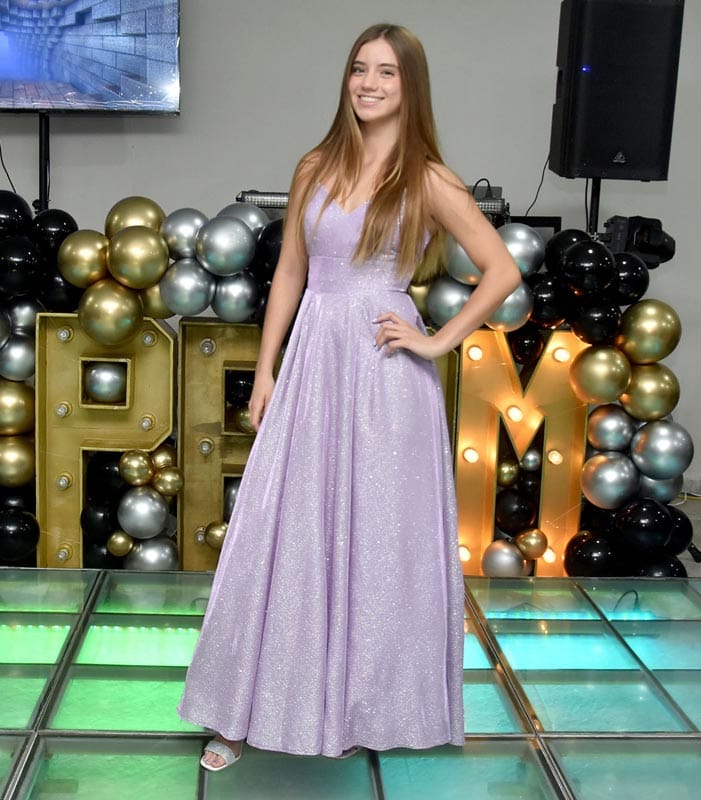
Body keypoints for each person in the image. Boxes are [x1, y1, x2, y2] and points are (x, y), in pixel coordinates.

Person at [178, 22, 521, 771]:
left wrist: (437, 340)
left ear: (410, 86)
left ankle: (363, 707)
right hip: (313, 360)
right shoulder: (316, 165)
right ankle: (245, 711)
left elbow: (501, 271)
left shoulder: (429, 178)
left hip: (385, 371)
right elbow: (291, 273)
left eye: (386, 72)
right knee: (283, 529)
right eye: (359, 69)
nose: (368, 83)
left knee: (379, 539)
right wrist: (265, 370)